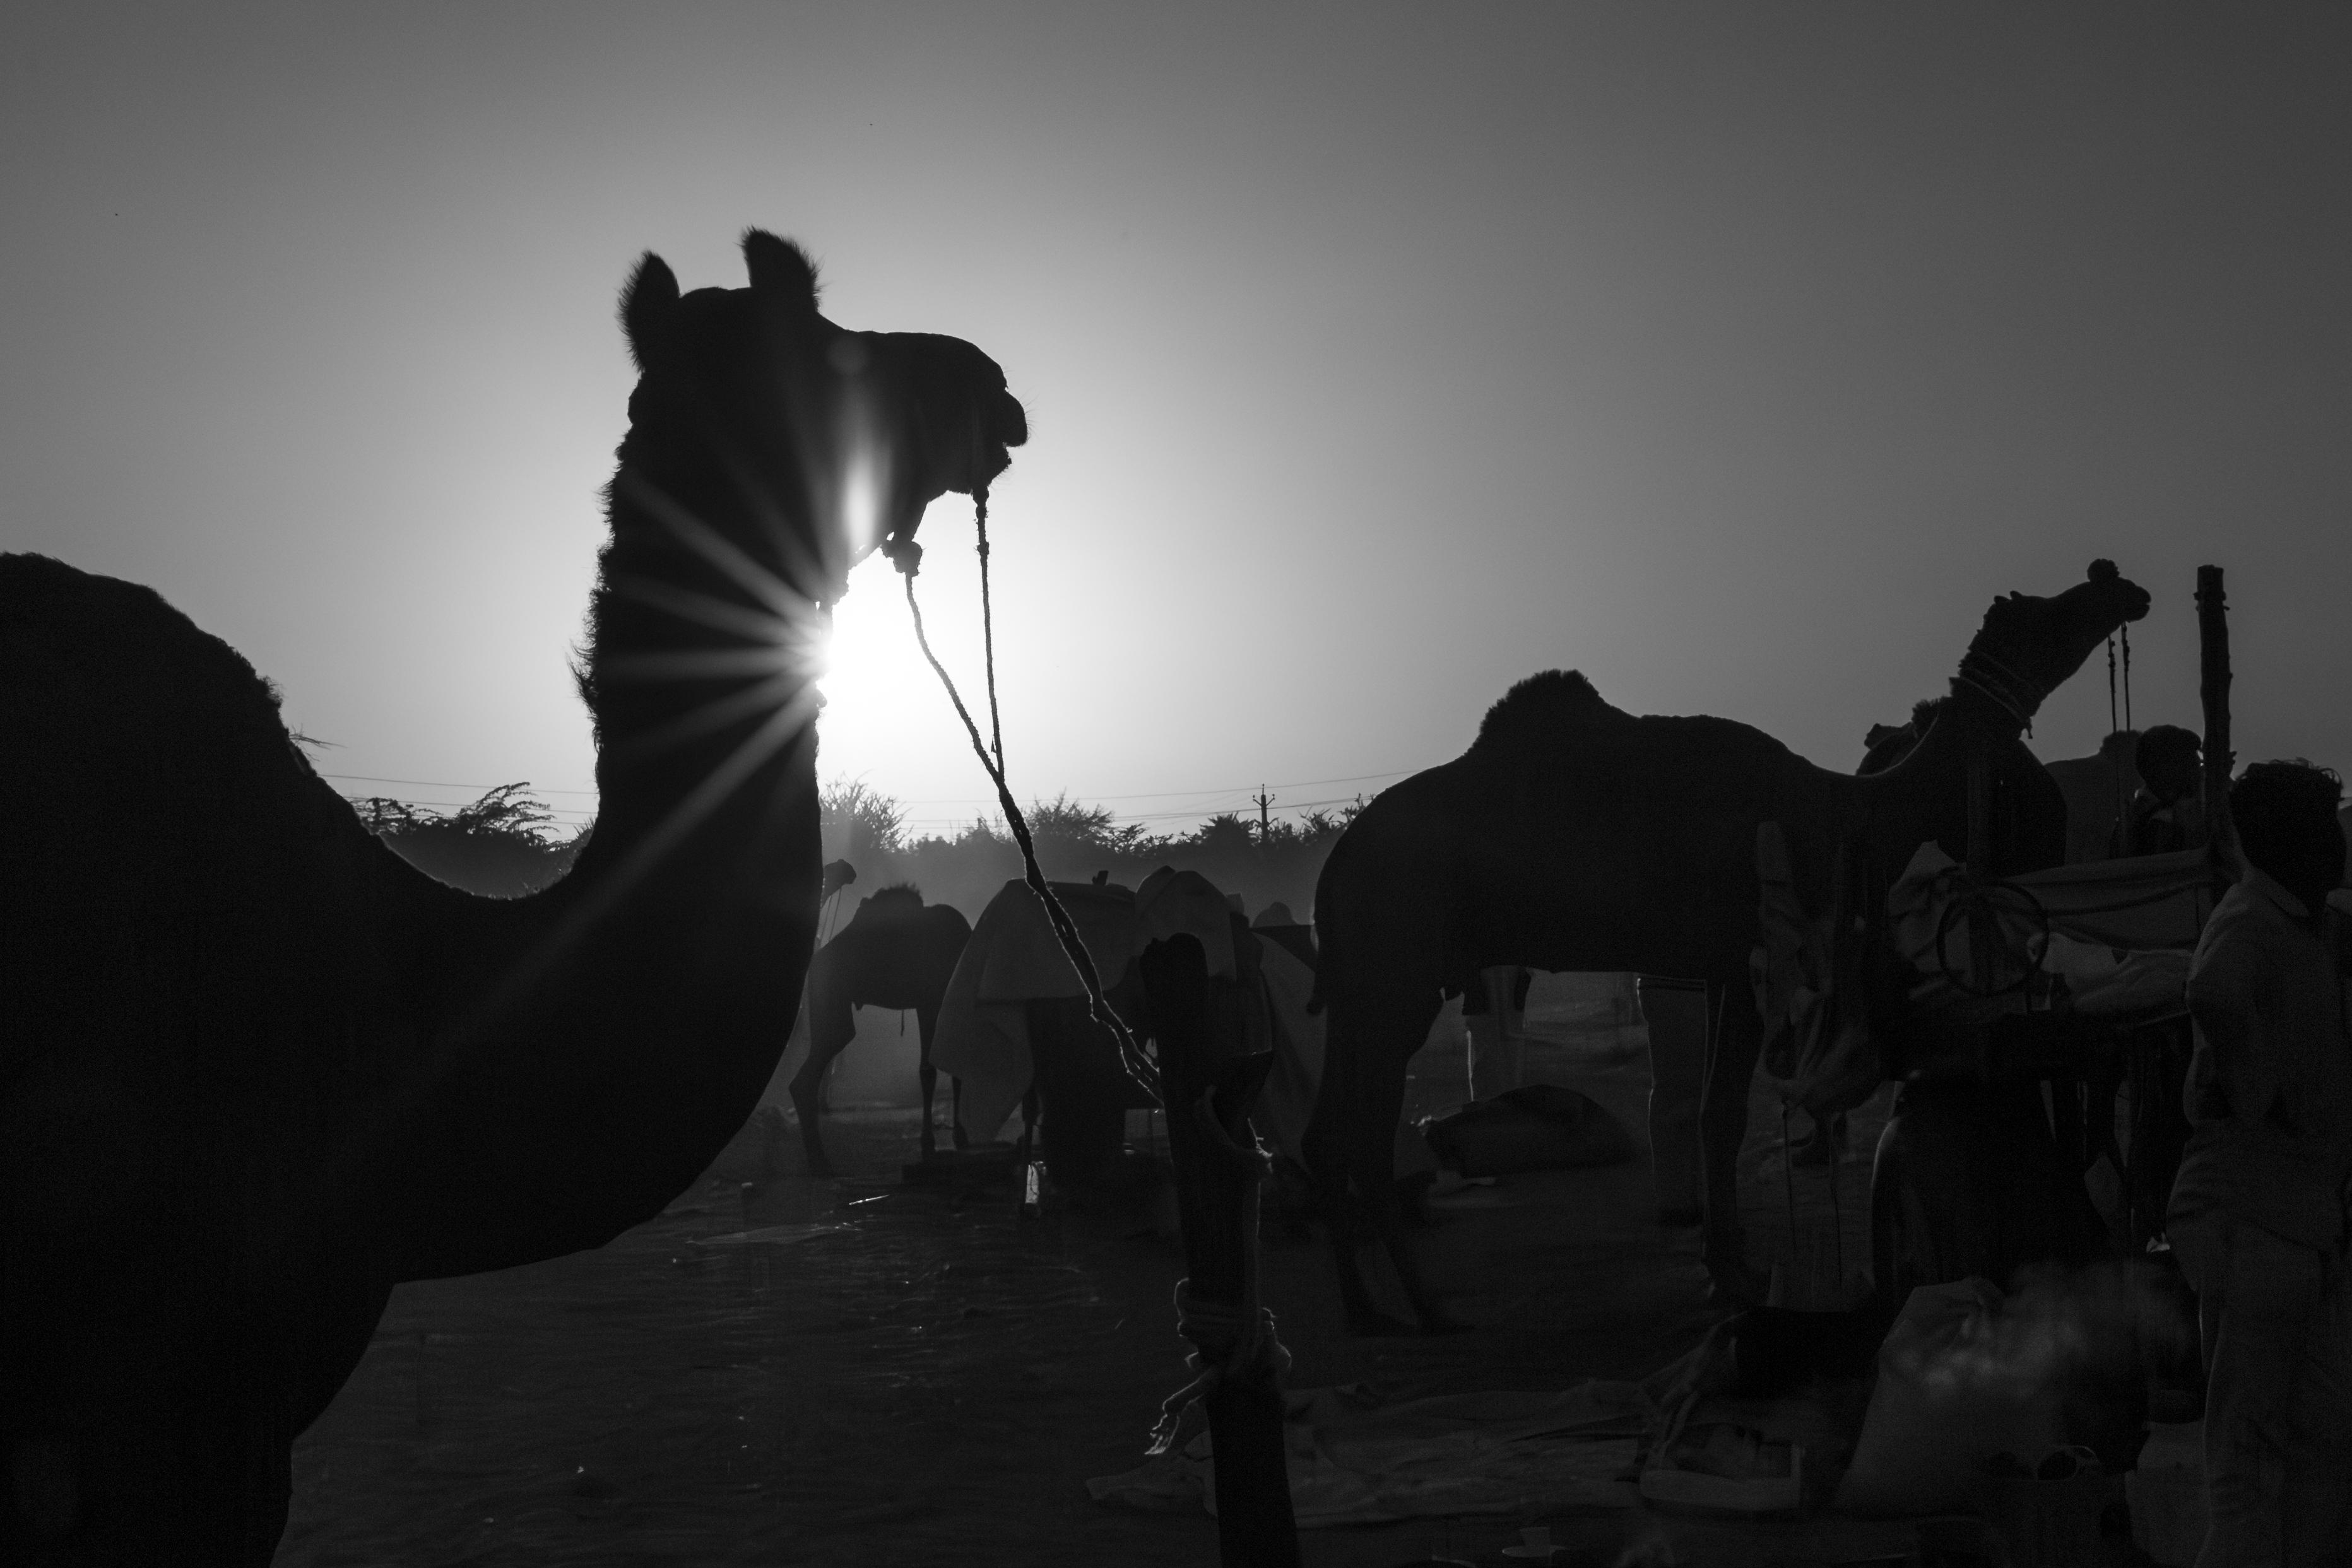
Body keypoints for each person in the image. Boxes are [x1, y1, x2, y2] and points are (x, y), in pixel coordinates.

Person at [2165, 759, 2352, 1566]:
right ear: (2288, 843)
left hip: (2301, 1225)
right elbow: (2210, 993)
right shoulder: (2249, 924)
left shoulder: (2304, 922)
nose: (2338, 844)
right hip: (2249, 1223)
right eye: (2324, 829)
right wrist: (2255, 1085)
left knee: (2321, 1444)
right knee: (2246, 1463)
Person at [2114, 724, 2207, 858]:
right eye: (2191, 761)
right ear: (2169, 768)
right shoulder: (2163, 822)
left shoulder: (2135, 816)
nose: (2199, 768)